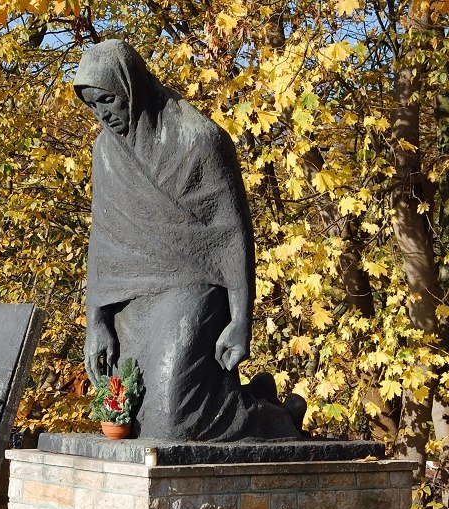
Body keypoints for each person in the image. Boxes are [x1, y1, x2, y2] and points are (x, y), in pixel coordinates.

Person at [74, 39, 306, 441]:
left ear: (132, 86)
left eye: (108, 101)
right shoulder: (105, 151)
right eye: (93, 105)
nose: (102, 115)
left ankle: (274, 418)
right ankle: (248, 398)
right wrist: (96, 321)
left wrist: (240, 321)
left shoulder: (199, 139)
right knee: (132, 419)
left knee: (172, 421)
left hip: (195, 283)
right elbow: (105, 238)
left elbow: (232, 234)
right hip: (131, 293)